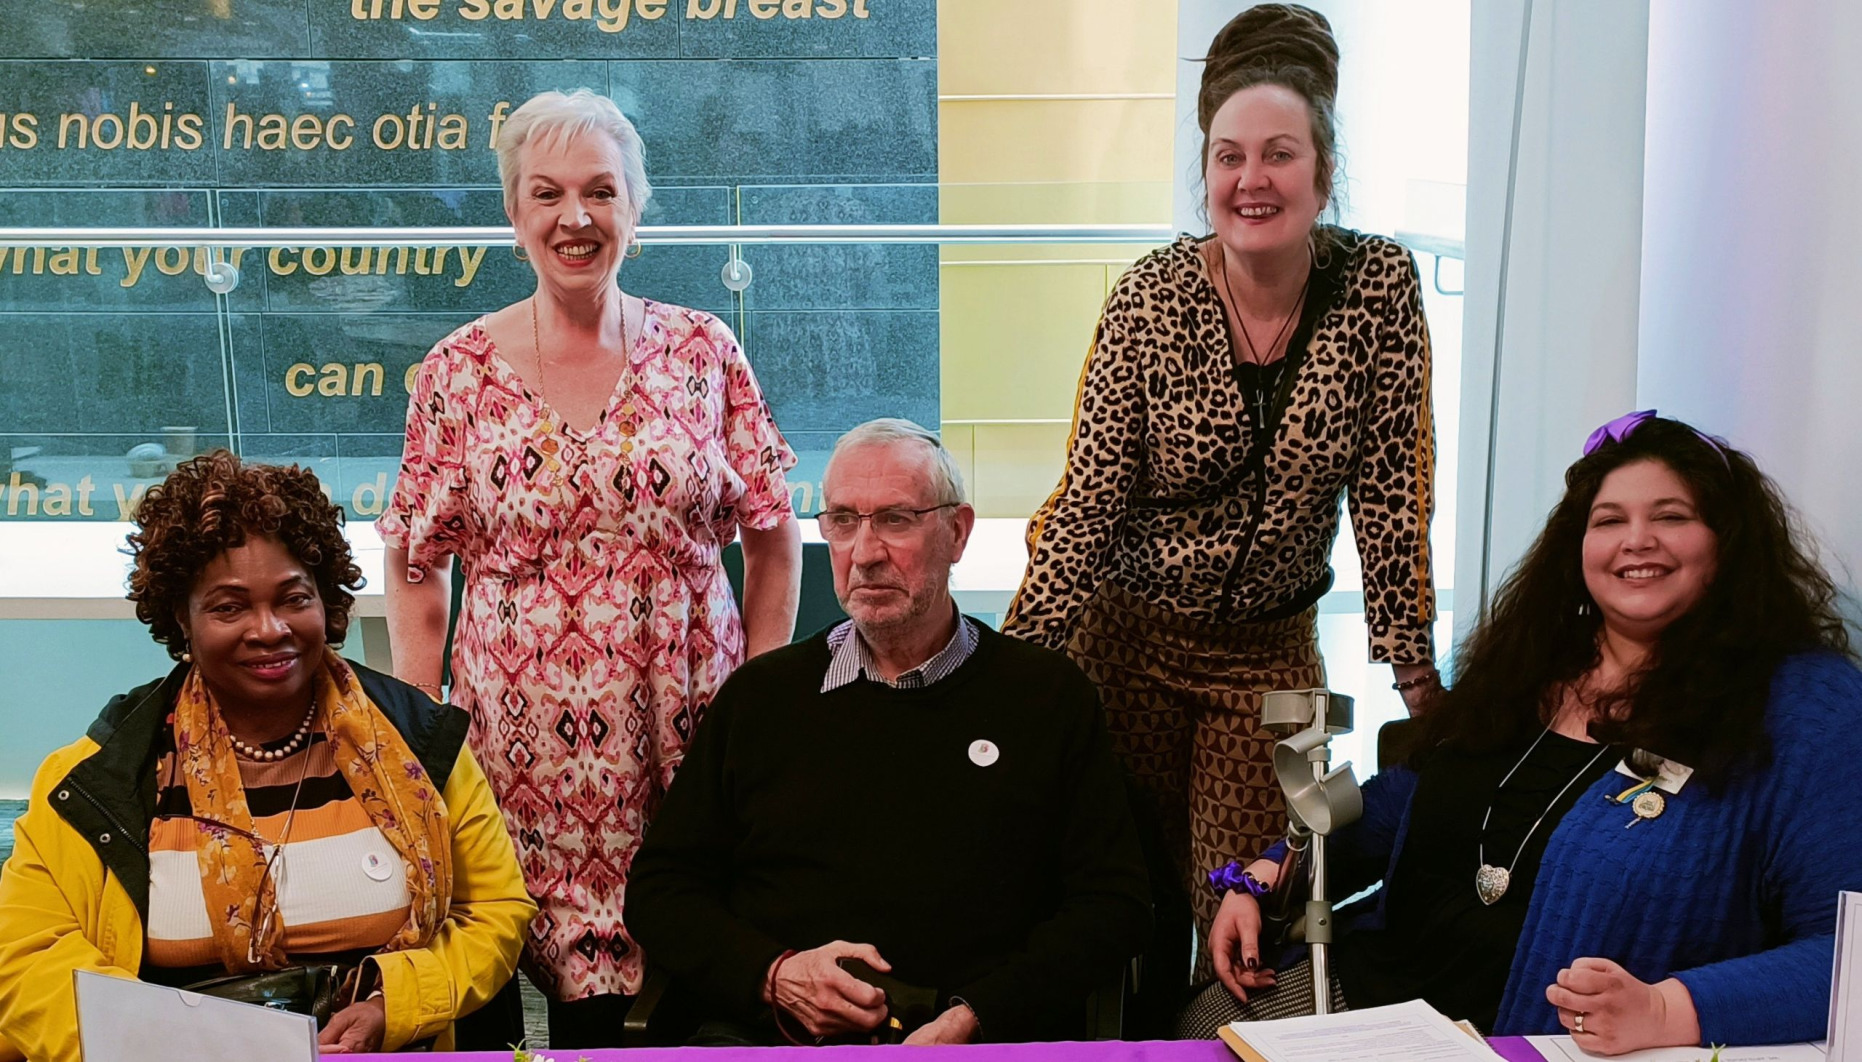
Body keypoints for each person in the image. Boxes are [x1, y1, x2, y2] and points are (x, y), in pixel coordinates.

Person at [1000, 1, 1439, 1015]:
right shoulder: (1148, 298)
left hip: (1267, 650)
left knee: (1252, 887)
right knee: (1123, 892)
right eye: (1227, 156)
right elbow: (1089, 500)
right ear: (1203, 175)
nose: (1251, 179)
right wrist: (1019, 664)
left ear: (1321, 176)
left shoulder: (1377, 285)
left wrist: (1416, 675)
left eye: (1278, 155)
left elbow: (1388, 487)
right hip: (1127, 636)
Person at [1183, 413, 1862, 1053]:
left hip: (1540, 1043)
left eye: (1672, 517)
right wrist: (1269, 870)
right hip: (1370, 1002)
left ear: (1729, 543)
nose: (1636, 541)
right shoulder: (1529, 663)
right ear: (1578, 548)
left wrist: (1665, 1009)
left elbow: (1843, 958)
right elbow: (1397, 807)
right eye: (1609, 520)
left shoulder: (1803, 706)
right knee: (1198, 1028)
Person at [379, 89, 803, 1046]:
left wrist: (766, 686)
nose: (576, 217)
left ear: (635, 208)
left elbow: (776, 529)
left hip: (685, 727)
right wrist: (420, 716)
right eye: (548, 194)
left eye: (601, 192)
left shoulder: (704, 349)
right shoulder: (454, 371)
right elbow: (414, 557)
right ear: (514, 214)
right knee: (514, 971)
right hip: (520, 746)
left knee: (693, 973)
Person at [627, 419, 1151, 1045]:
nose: (865, 552)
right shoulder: (761, 698)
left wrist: (976, 1016)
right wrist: (776, 975)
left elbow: (1113, 905)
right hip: (782, 1040)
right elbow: (661, 892)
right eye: (843, 521)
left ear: (957, 533)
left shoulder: (1044, 697)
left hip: (980, 1045)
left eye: (896, 519)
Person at [0, 452, 534, 1062]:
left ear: (325, 600)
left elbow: (493, 912)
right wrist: (186, 1046)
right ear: (183, 616)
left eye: (292, 598)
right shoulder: (100, 776)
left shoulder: (421, 745)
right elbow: (24, 956)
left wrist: (399, 1007)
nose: (269, 629)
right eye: (229, 607)